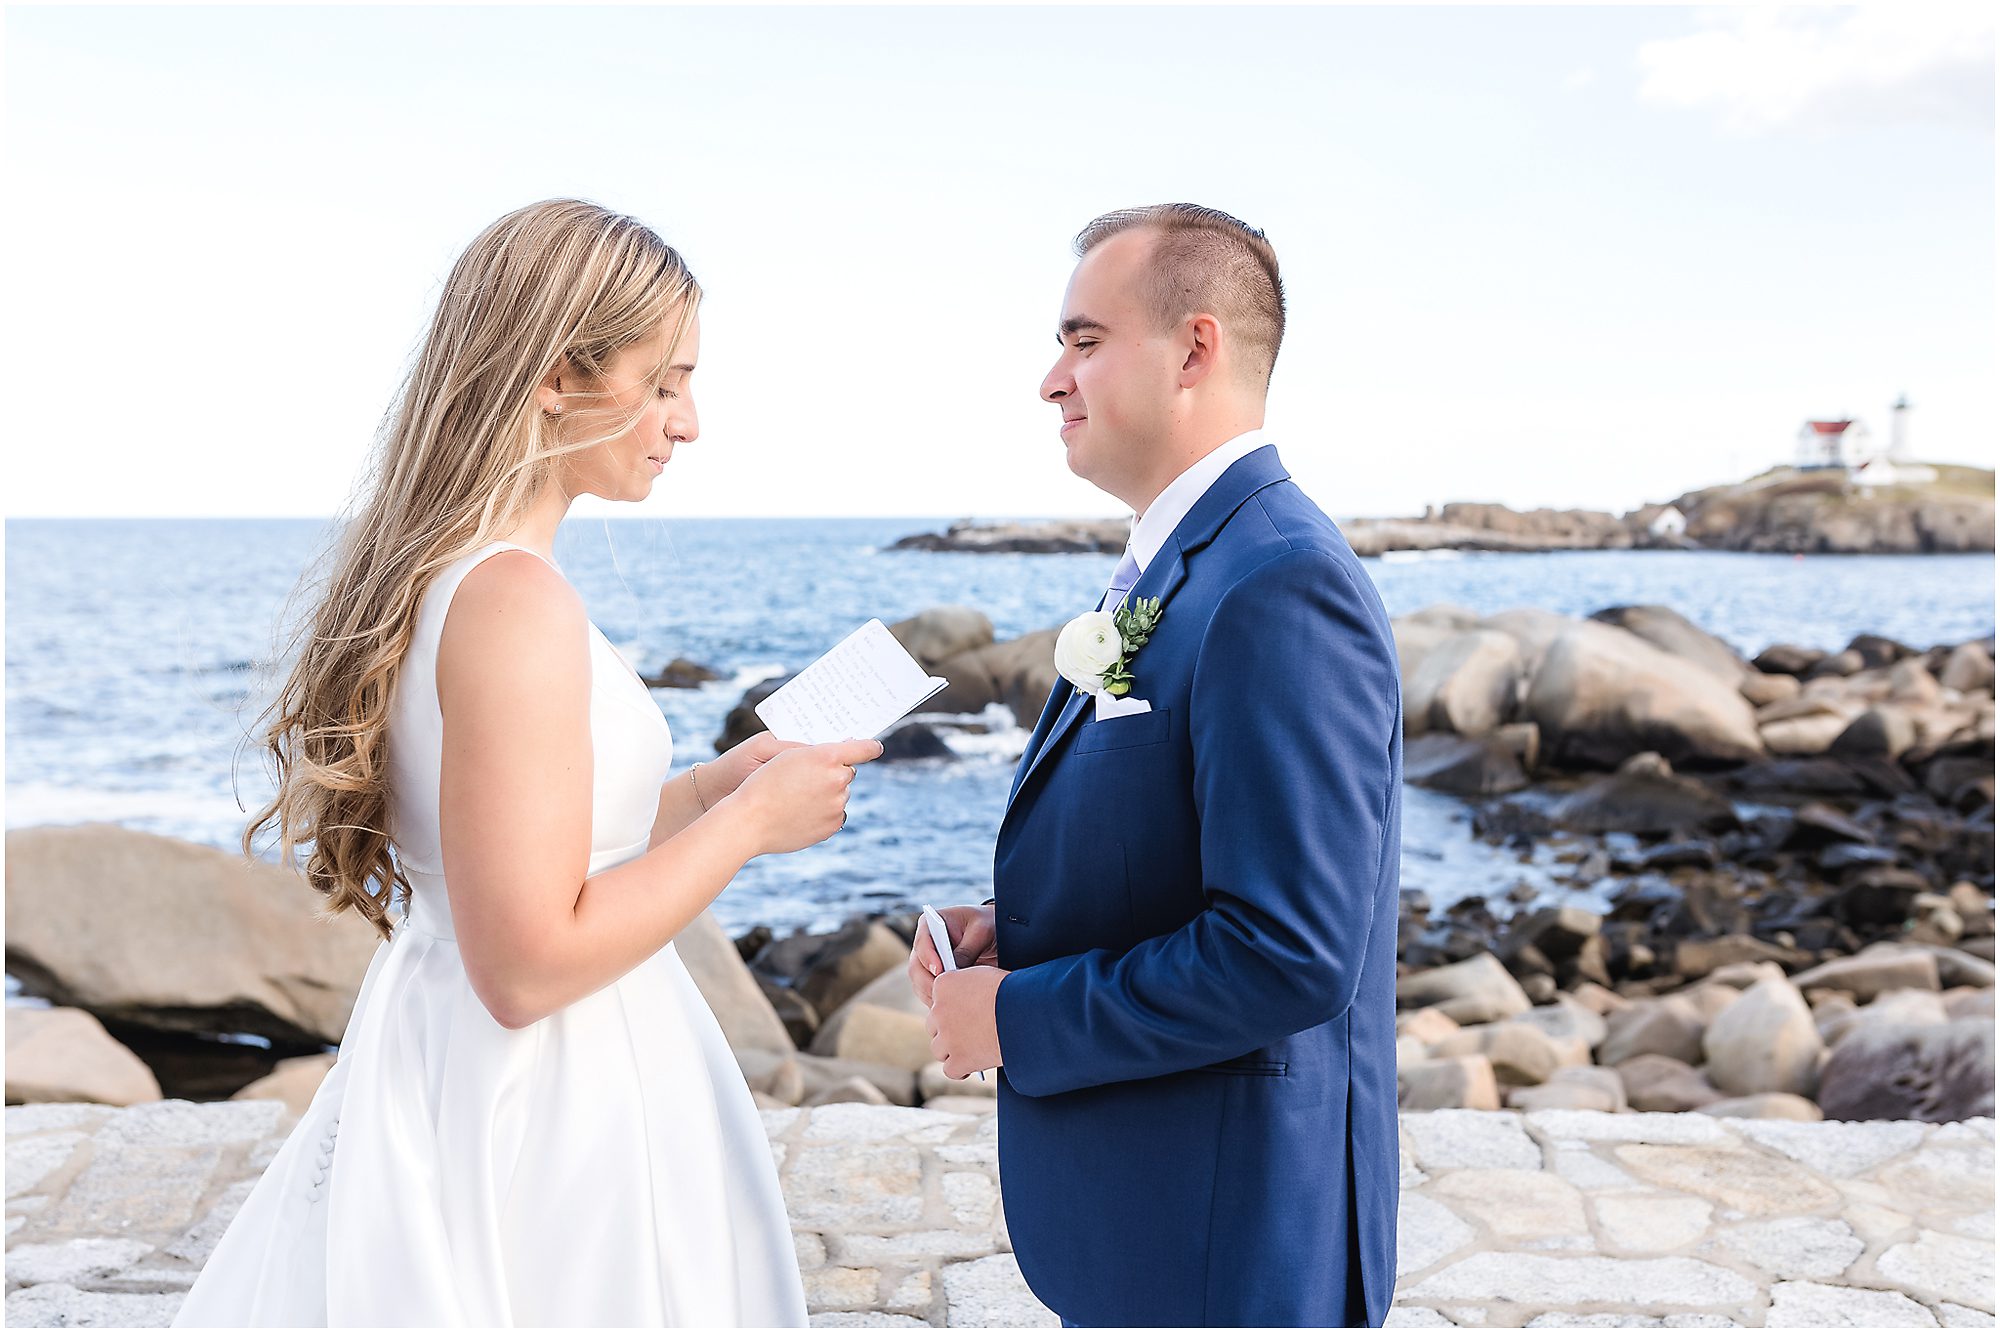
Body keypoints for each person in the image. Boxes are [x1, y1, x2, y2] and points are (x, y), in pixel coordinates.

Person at [174, 199, 881, 1326]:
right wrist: (750, 830)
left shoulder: (453, 575)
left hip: (459, 1058)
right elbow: (528, 964)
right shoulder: (512, 601)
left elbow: (560, 843)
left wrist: (718, 786)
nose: (686, 421)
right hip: (551, 1101)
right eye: (662, 382)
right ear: (556, 375)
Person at [910, 204, 1403, 1326]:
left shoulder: (1277, 582)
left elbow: (1284, 952)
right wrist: (1012, 925)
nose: (1051, 378)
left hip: (1227, 1248)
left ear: (1193, 348)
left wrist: (1017, 1019)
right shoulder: (1180, 562)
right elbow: (1169, 840)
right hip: (1158, 1227)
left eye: (1083, 340)